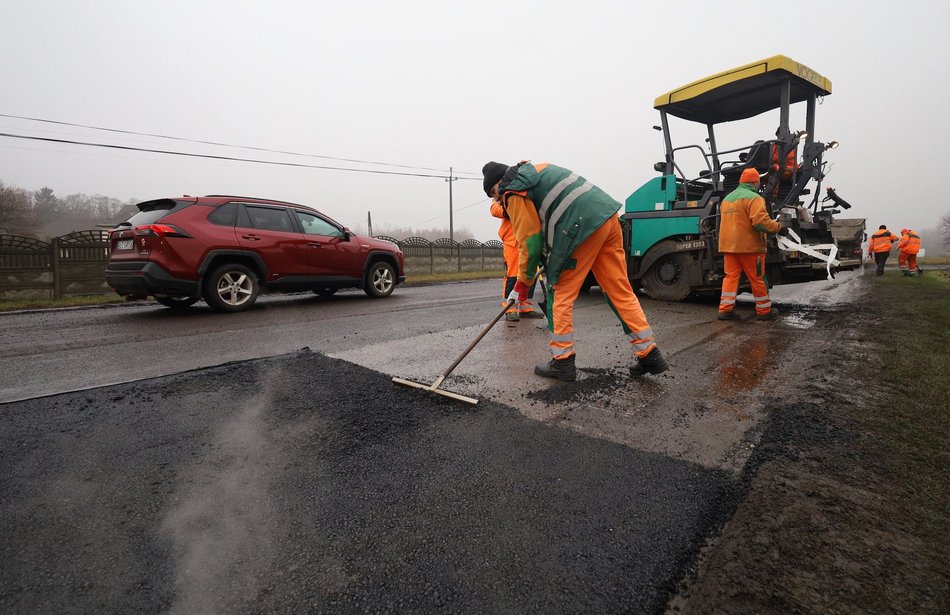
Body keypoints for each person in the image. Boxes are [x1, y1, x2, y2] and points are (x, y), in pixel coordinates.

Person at [482, 160, 667, 382]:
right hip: (607, 217)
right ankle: (649, 354)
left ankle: (563, 361)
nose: (496, 199)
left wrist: (522, 285)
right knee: (620, 291)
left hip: (580, 227)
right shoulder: (536, 169)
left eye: (493, 193)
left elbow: (529, 243)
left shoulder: (512, 189)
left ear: (498, 183)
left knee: (559, 294)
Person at [717, 167, 783, 321]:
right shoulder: (754, 198)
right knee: (757, 278)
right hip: (750, 247)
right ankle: (764, 310)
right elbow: (760, 222)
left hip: (729, 246)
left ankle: (725, 310)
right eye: (758, 183)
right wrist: (778, 227)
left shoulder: (727, 199)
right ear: (755, 182)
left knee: (730, 277)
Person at [489, 195, 543, 321]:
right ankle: (510, 309)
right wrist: (496, 204)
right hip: (512, 243)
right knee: (513, 275)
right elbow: (495, 210)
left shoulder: (528, 199)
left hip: (528, 241)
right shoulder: (507, 198)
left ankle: (525, 308)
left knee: (530, 275)